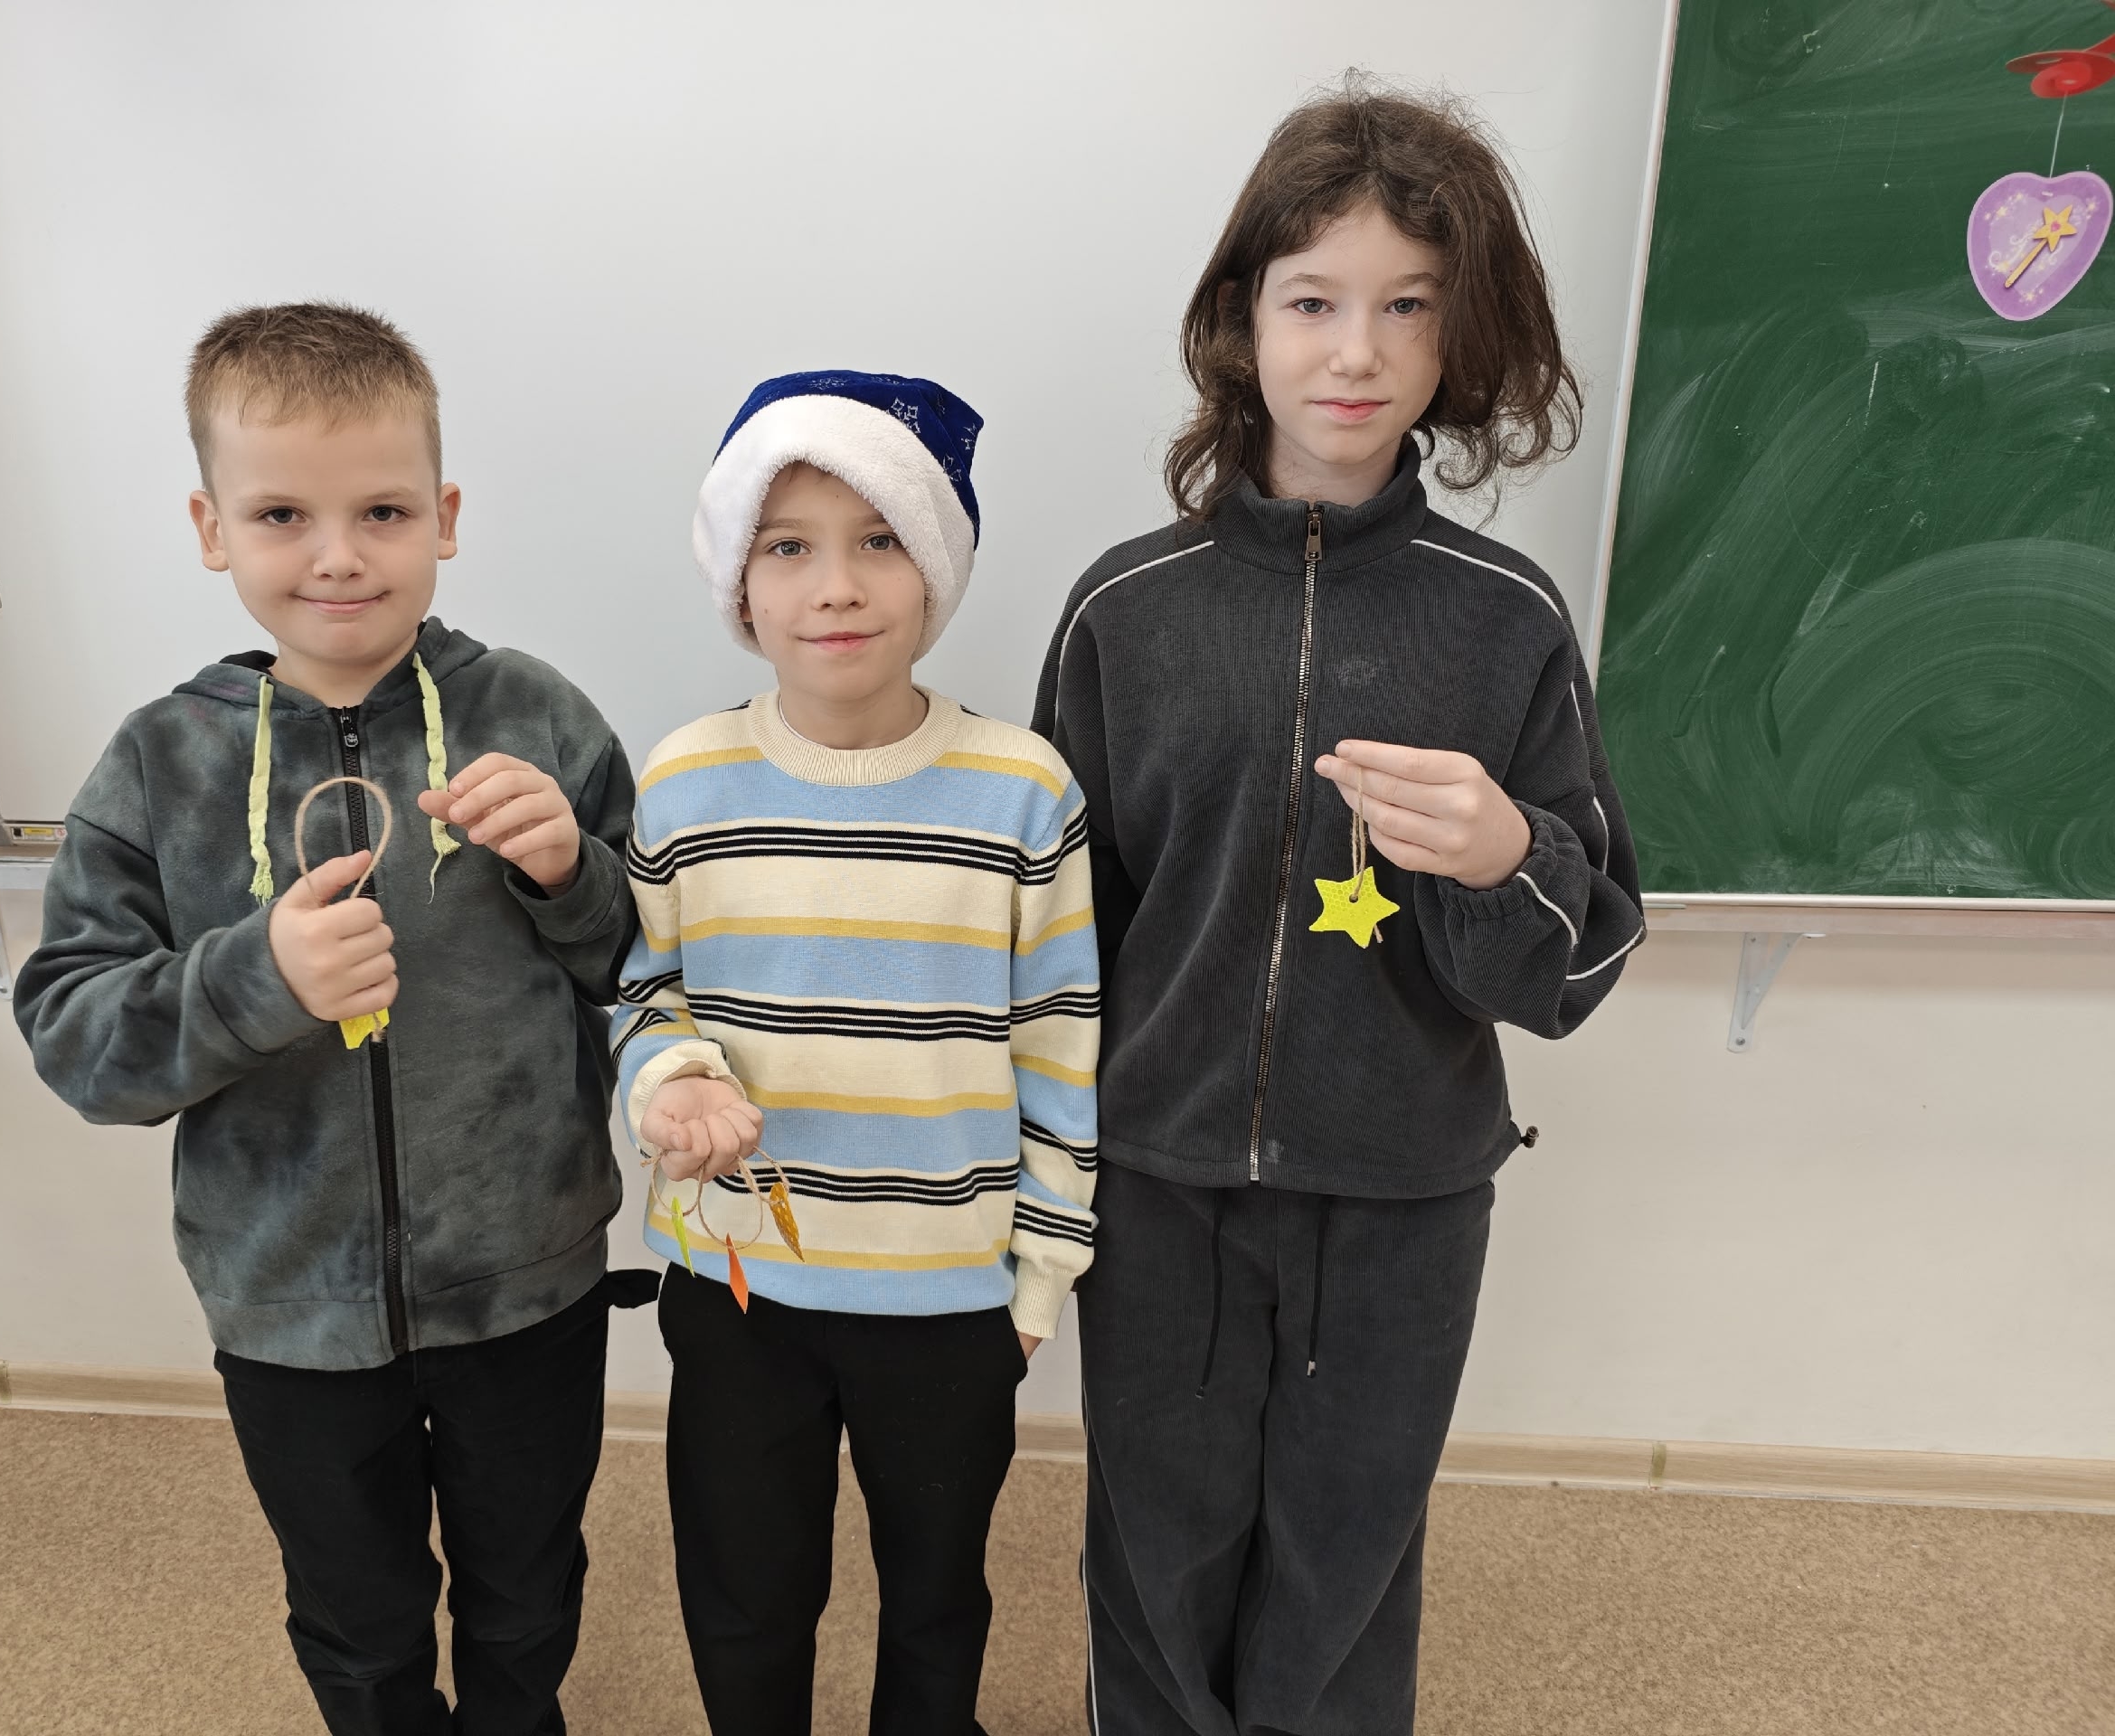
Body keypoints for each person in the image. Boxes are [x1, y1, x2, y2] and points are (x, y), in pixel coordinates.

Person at [1033, 87, 1648, 1735]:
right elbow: (1054, 929)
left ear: (1461, 333)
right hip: (1158, 1182)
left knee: (1349, 1555)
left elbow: (1580, 958)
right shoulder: (1124, 611)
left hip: (1403, 1198)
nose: (1356, 352)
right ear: (1244, 320)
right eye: (1313, 301)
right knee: (1156, 1548)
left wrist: (1505, 852)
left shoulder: (1505, 619)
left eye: (1408, 306)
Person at [14, 301, 643, 1736]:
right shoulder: (160, 761)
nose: (340, 555)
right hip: (286, 1302)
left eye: (384, 511)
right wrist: (261, 981)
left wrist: (572, 874)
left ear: (446, 517)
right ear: (212, 529)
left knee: (529, 1585)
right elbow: (76, 1041)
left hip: (528, 1281)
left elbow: (644, 967)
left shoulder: (537, 716)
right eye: (283, 514)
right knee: (356, 1616)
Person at [612, 371, 1100, 1735]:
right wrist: (672, 1077)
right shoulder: (684, 780)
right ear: (742, 581)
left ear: (934, 566)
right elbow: (643, 988)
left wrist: (1041, 1272)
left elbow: (1062, 1041)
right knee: (747, 1591)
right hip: (739, 1284)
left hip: (949, 1294)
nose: (835, 585)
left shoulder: (1021, 789)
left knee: (936, 1594)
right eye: (790, 546)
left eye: (879, 539)